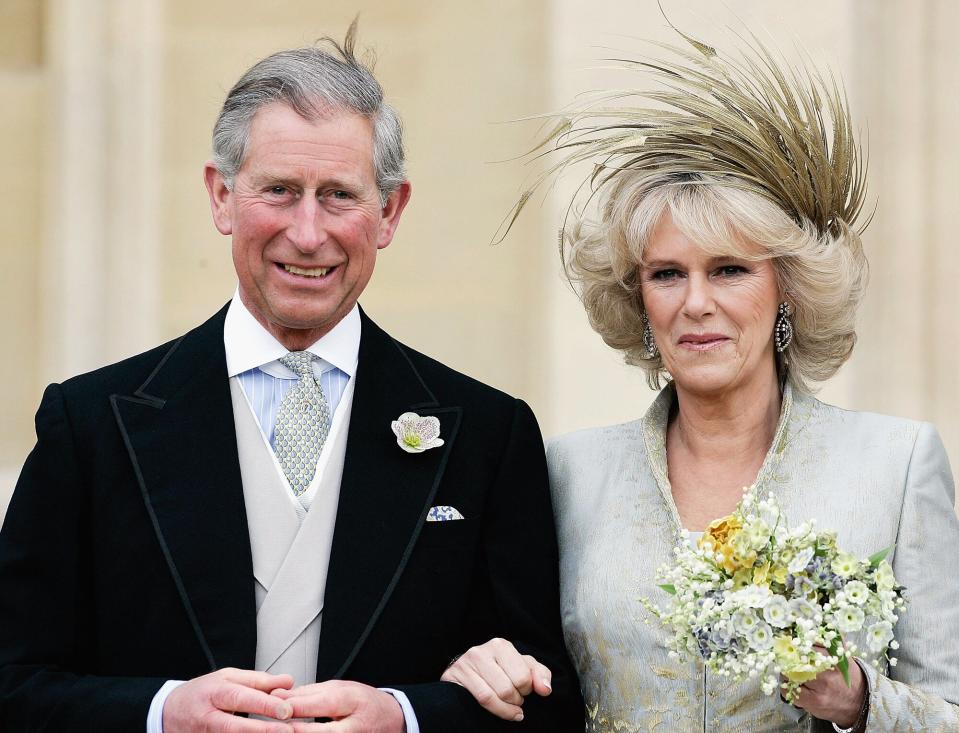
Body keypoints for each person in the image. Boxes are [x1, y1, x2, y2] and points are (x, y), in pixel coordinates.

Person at [0, 23, 583, 733]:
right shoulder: (89, 424)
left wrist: (403, 716)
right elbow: (15, 682)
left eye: (339, 194)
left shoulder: (487, 436)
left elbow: (549, 703)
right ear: (220, 196)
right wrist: (161, 712)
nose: (308, 233)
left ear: (389, 211)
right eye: (278, 190)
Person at [442, 28, 959, 733]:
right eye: (666, 274)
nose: (694, 302)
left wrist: (861, 699)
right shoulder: (566, 472)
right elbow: (521, 675)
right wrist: (478, 666)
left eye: (728, 269)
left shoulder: (895, 465)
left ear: (787, 291)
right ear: (638, 299)